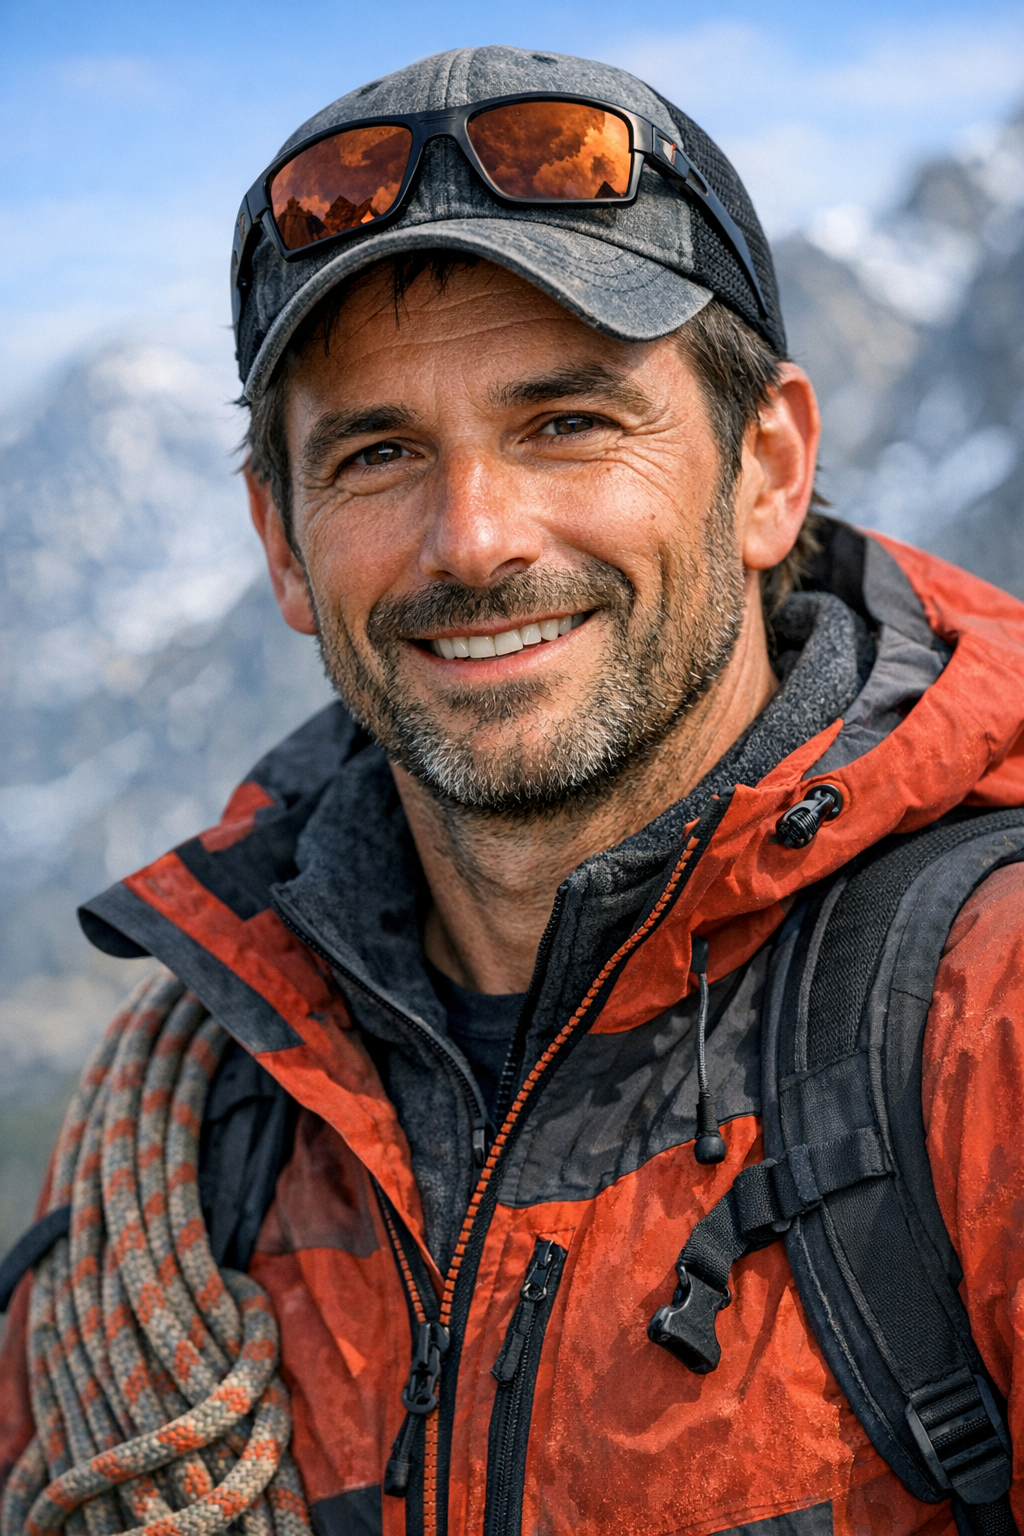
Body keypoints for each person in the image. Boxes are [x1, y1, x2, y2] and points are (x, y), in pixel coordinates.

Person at [2, 44, 1024, 1536]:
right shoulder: (196, 1126)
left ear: (767, 468)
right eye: (379, 452)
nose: (472, 538)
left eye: (570, 423)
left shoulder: (981, 1030)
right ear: (283, 547)